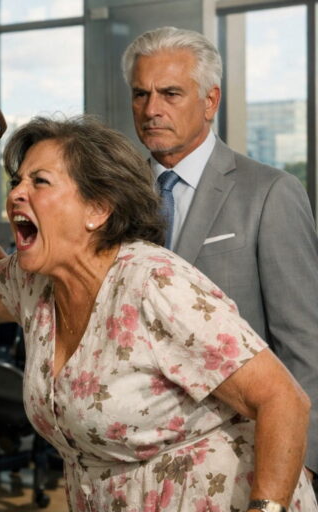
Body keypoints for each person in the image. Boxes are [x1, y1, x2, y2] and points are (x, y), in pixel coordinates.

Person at [0, 115, 317, 512]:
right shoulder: (37, 282)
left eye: (40, 182)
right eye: (17, 181)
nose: (17, 193)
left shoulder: (156, 284)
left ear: (97, 209)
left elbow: (283, 399)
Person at [122, 26, 318, 492]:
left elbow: (305, 343)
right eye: (141, 94)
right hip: (135, 462)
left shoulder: (269, 193)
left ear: (210, 101)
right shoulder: (117, 200)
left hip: (240, 459)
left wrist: (301, 466)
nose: (151, 109)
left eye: (170, 93)